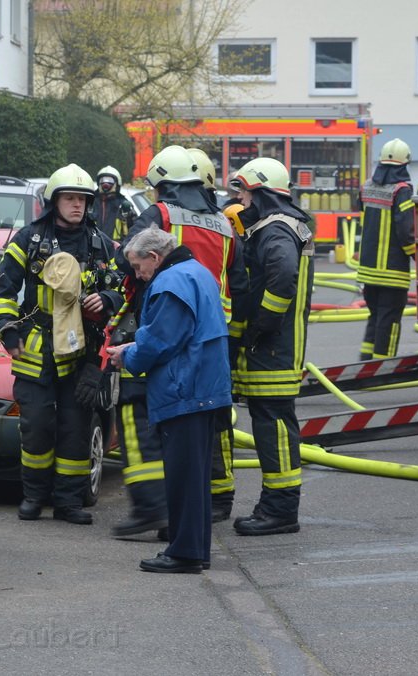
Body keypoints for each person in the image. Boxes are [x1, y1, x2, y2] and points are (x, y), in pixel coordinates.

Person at [108, 145, 246, 539]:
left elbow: (126, 259)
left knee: (140, 412)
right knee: (210, 419)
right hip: (215, 335)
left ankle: (153, 506)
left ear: (162, 184)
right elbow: (242, 283)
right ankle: (215, 498)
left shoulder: (161, 215)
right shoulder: (224, 224)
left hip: (165, 328)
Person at [0, 163, 123, 525]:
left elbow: (123, 284)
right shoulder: (28, 239)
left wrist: (109, 299)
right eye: (70, 198)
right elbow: (3, 289)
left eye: (82, 199)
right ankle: (34, 496)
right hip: (37, 349)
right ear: (55, 201)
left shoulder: (101, 243)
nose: (77, 205)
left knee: (75, 429)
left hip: (81, 351)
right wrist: (7, 330)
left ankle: (68, 502)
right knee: (35, 426)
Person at [106, 227, 231, 573]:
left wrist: (127, 357)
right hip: (204, 387)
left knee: (182, 478)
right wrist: (136, 347)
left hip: (185, 391)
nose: (137, 274)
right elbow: (180, 334)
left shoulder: (169, 283)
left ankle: (184, 553)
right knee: (196, 478)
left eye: (137, 266)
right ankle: (194, 548)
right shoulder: (196, 272)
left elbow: (161, 341)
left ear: (154, 258)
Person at [228, 156, 314, 536]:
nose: (241, 200)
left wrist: (262, 324)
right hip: (275, 347)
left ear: (261, 192)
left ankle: (279, 511)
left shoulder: (276, 230)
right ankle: (275, 505)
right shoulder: (275, 225)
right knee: (271, 421)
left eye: (245, 191)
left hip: (274, 349)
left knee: (274, 425)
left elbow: (283, 277)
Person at [356, 138, 415, 361]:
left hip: (367, 270)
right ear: (404, 164)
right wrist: (416, 254)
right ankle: (382, 366)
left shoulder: (367, 186)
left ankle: (365, 361)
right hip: (392, 271)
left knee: (376, 316)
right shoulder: (402, 190)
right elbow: (405, 229)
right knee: (389, 321)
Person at [91, 165, 135, 240]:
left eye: (110, 181)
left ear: (117, 183)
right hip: (93, 247)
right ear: (98, 183)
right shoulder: (91, 202)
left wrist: (130, 214)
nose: (105, 184)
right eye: (103, 180)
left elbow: (134, 229)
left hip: (116, 249)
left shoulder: (123, 204)